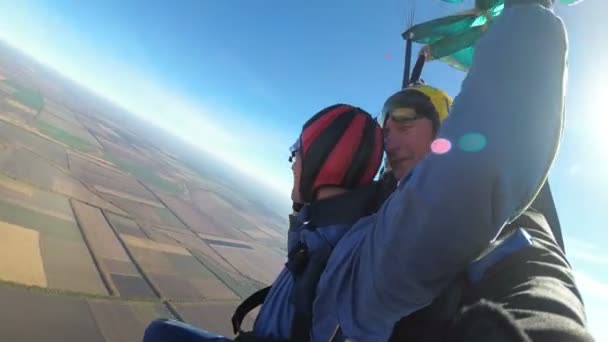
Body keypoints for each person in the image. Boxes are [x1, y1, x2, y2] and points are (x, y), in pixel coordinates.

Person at [146, 0, 581, 340]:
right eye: (385, 126)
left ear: (446, 135)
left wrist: (527, 17)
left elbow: (489, 172)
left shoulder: (483, 223)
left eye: (407, 121)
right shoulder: (368, 209)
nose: (391, 136)